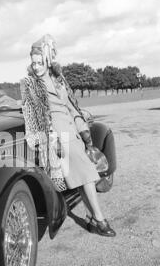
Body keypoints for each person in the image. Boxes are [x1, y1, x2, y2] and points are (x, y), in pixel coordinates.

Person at [20, 34, 116, 237]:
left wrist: (85, 132)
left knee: (81, 178)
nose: (36, 67)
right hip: (58, 138)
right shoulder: (30, 85)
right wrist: (48, 140)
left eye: (39, 62)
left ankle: (92, 219)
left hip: (74, 134)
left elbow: (71, 106)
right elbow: (32, 115)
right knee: (86, 176)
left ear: (47, 60)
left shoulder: (58, 78)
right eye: (33, 63)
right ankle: (99, 219)